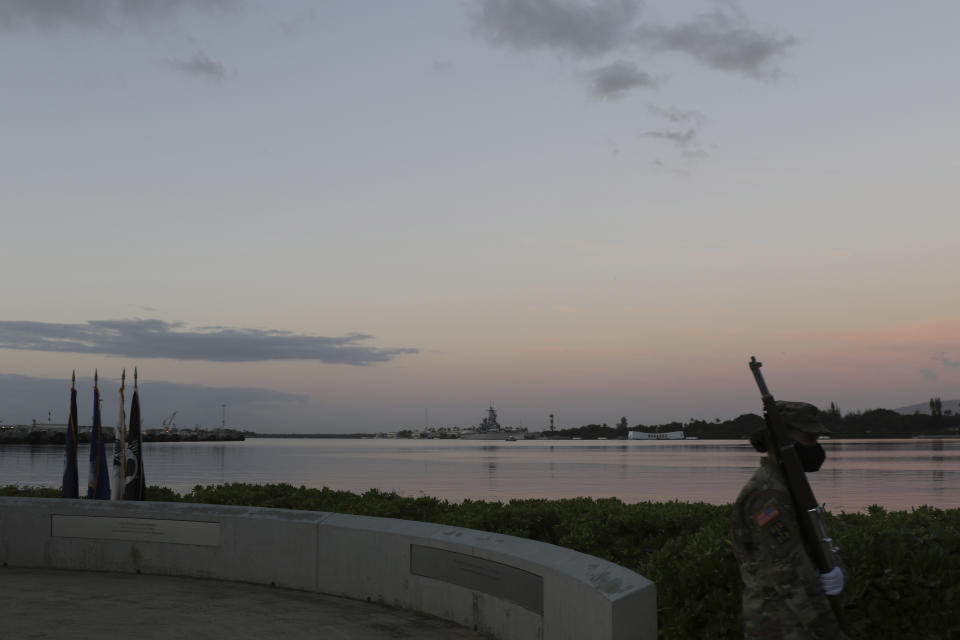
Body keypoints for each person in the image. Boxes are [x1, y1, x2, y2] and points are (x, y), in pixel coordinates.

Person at [731, 401, 848, 639]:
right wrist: (828, 631)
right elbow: (788, 573)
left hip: (797, 622)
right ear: (781, 439)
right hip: (780, 624)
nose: (815, 447)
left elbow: (813, 545)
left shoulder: (789, 486)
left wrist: (837, 568)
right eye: (808, 438)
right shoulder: (768, 493)